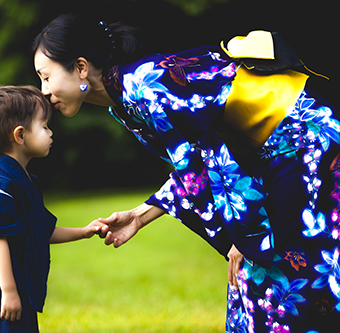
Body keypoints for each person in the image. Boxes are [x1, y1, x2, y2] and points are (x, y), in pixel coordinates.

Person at [33, 13, 340, 332]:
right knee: (270, 281)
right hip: (282, 152)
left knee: (274, 277)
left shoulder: (147, 87)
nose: (43, 90)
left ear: (80, 67)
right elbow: (194, 166)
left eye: (46, 76)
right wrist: (139, 215)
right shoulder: (125, 99)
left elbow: (212, 159)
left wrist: (246, 233)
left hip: (303, 144)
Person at [0, 85, 104, 333]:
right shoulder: (0, 182)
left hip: (22, 289)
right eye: (44, 126)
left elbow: (40, 231)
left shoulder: (27, 181)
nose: (51, 133)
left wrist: (84, 231)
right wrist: (8, 292)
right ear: (20, 135)